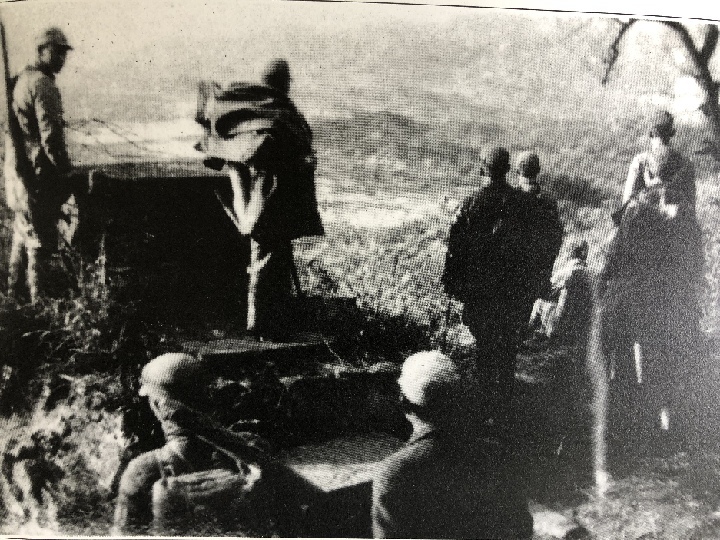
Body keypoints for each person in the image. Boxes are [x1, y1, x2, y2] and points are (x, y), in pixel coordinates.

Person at [195, 59, 324, 339]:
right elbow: (279, 148)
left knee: (268, 258)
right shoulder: (277, 113)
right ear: (283, 82)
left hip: (260, 195)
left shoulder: (251, 109)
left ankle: (267, 322)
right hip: (269, 197)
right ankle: (264, 325)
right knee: (268, 260)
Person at [371, 350, 533, 539]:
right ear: (458, 401)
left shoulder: (395, 472)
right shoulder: (497, 455)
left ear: (403, 403)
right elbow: (521, 528)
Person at [112, 353, 268, 535]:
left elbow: (123, 533)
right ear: (206, 399)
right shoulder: (246, 452)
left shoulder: (142, 471)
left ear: (158, 406)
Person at [443, 147, 547, 411]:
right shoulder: (523, 203)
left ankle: (485, 405)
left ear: (483, 169)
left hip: (481, 292)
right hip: (512, 292)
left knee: (485, 347)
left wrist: (455, 285)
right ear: (508, 169)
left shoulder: (471, 203)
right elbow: (535, 249)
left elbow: (455, 249)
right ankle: (504, 407)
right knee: (508, 349)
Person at [5, 27, 74, 303]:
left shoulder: (20, 81)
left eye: (63, 53)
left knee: (21, 234)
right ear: (41, 51)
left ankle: (13, 297)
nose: (62, 59)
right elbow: (51, 139)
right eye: (56, 52)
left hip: (17, 174)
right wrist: (66, 172)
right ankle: (39, 304)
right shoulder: (42, 84)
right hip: (35, 176)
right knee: (39, 243)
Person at [621, 109, 695, 215]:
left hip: (646, 220)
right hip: (675, 220)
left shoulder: (640, 161)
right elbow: (691, 207)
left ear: (651, 133)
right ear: (672, 133)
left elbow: (627, 203)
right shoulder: (686, 163)